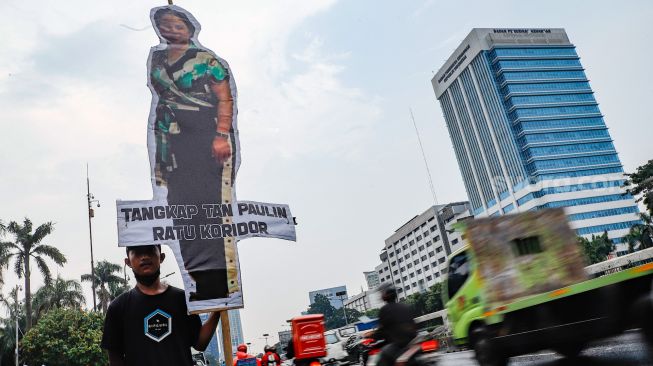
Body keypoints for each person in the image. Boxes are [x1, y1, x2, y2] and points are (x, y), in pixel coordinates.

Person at [148, 6, 239, 301]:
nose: (171, 29)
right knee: (181, 211)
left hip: (204, 139)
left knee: (209, 211)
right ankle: (200, 282)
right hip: (170, 142)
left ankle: (217, 283)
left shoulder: (207, 60)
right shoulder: (159, 59)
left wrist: (221, 135)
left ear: (189, 28)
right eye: (164, 24)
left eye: (176, 24)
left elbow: (225, 98)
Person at [101, 245, 220, 366]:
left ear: (161, 257)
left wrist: (220, 308)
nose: (145, 257)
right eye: (137, 253)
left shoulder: (182, 300)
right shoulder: (118, 308)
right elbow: (115, 359)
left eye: (150, 250)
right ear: (128, 262)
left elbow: (200, 344)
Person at [373, 283, 417, 366]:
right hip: (411, 343)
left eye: (381, 293)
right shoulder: (405, 307)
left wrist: (373, 336)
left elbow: (381, 331)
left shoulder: (384, 310)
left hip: (398, 346)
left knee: (382, 357)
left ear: (385, 295)